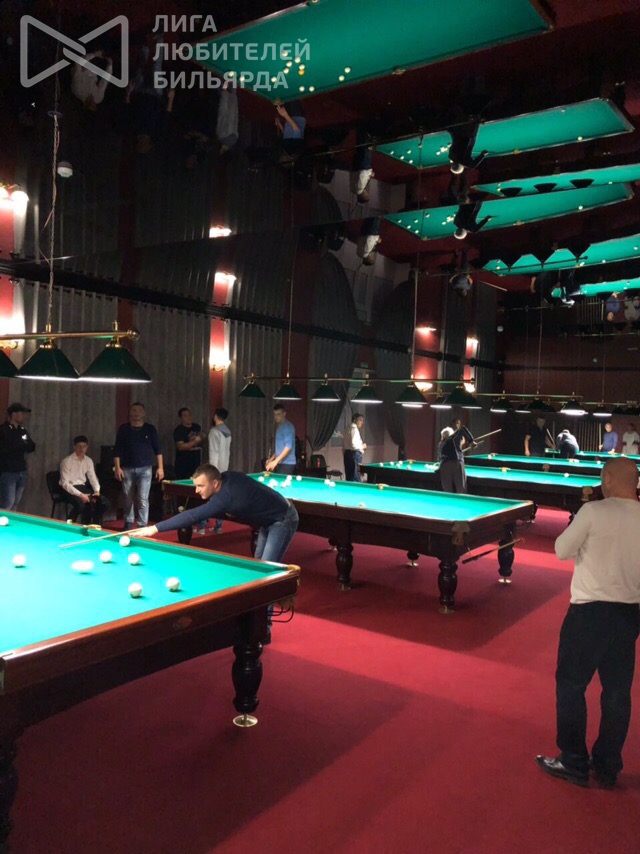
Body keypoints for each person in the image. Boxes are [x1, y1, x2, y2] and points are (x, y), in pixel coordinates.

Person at [536, 457, 640, 789]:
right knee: (617, 693)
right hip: (629, 615)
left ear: (607, 479)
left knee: (571, 685)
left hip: (588, 614)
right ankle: (608, 768)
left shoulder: (593, 512)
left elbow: (561, 549)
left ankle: (573, 761)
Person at [131, 465, 299, 642]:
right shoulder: (227, 478)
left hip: (283, 519)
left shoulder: (225, 498)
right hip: (267, 520)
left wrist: (155, 528)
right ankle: (257, 621)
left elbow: (193, 516)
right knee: (259, 570)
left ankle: (263, 630)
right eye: (196, 485)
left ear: (215, 483)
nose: (197, 491)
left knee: (266, 576)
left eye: (201, 486)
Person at [113, 403, 164, 530]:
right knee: (127, 498)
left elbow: (158, 449)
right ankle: (128, 522)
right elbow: (117, 450)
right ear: (130, 412)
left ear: (144, 413)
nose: (137, 413)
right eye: (134, 410)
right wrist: (117, 467)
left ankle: (142, 524)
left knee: (143, 498)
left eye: (139, 410)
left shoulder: (150, 429)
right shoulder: (124, 429)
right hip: (126, 468)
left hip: (145, 469)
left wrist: (160, 467)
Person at [59, 435, 105, 525]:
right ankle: (69, 525)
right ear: (74, 447)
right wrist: (81, 495)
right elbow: (65, 484)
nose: (81, 449)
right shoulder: (66, 461)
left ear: (87, 447)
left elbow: (93, 478)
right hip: (68, 488)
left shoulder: (88, 460)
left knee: (101, 502)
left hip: (82, 486)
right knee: (81, 505)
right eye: (79, 446)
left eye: (84, 446)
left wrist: (97, 491)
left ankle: (92, 525)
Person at [0, 402, 36, 511]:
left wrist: (20, 444)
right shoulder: (3, 430)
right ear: (14, 414)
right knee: (8, 502)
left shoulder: (22, 430)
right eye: (21, 413)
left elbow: (31, 446)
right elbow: (8, 447)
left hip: (21, 470)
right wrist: (21, 444)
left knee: (16, 502)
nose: (23, 416)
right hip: (8, 471)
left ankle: (10, 520)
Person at [208, 408, 232, 532]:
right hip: (224, 467)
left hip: (215, 469)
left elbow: (213, 452)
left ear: (216, 416)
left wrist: (211, 472)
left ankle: (202, 526)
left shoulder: (214, 431)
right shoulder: (228, 431)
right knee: (221, 496)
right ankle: (218, 526)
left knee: (210, 497)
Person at [438, 423, 476, 493]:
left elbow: (454, 445)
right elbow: (462, 429)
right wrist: (471, 441)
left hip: (444, 466)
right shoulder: (453, 437)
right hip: (456, 463)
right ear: (451, 434)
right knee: (461, 489)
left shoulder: (441, 444)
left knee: (447, 491)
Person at [173, 408, 205, 480]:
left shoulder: (197, 427)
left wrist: (202, 437)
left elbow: (203, 436)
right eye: (185, 415)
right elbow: (181, 447)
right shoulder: (178, 430)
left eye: (189, 415)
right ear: (181, 418)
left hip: (196, 462)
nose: (188, 417)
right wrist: (195, 441)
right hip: (183, 464)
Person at [265, 404, 297, 475]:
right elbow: (279, 449)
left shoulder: (287, 427)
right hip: (280, 463)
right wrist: (271, 459)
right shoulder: (279, 427)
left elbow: (288, 447)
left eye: (278, 414)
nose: (276, 417)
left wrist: (275, 461)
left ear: (284, 414)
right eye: (274, 414)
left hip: (287, 464)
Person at [343, 413, 367, 482]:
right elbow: (354, 444)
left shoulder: (347, 428)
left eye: (362, 420)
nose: (362, 422)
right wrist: (362, 446)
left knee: (349, 476)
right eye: (360, 420)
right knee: (355, 476)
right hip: (354, 455)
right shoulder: (354, 429)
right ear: (355, 420)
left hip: (347, 454)